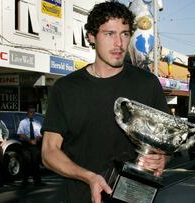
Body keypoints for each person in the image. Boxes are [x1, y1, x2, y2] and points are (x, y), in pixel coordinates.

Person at [41, 1, 170, 203]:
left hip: (134, 197)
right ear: (92, 36)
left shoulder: (148, 84)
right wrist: (89, 177)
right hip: (79, 197)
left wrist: (162, 158)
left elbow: (164, 142)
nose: (119, 43)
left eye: (125, 34)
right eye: (110, 34)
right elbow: (49, 152)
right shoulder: (65, 88)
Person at [17, 107, 44, 186]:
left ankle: (37, 181)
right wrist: (30, 141)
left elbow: (40, 134)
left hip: (35, 144)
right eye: (31, 112)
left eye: (33, 112)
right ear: (27, 113)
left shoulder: (37, 122)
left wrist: (36, 139)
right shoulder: (23, 122)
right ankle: (25, 181)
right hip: (26, 144)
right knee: (26, 162)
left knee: (36, 162)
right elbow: (20, 134)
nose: (32, 113)